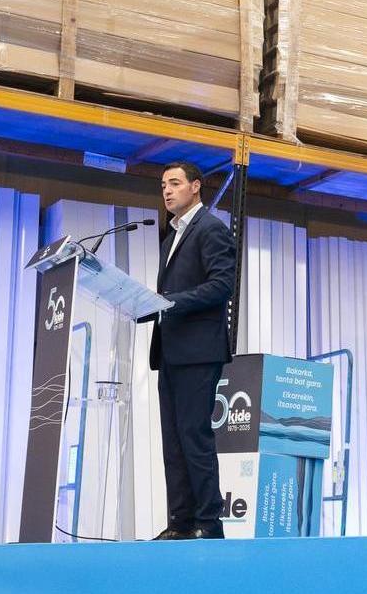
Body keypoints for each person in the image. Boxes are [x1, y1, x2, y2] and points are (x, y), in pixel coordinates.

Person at [148, 161, 236, 540]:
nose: (167, 191)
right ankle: (180, 523)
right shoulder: (171, 236)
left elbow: (222, 285)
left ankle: (208, 524)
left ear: (196, 187)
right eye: (163, 185)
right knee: (173, 443)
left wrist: (171, 302)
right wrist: (146, 305)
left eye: (175, 183)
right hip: (169, 352)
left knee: (194, 438)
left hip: (199, 353)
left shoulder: (210, 228)